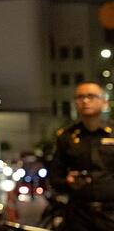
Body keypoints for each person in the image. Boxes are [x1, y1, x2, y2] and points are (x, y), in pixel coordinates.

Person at [48, 81, 114, 230]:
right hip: (79, 215)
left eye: (91, 96)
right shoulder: (66, 137)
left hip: (111, 214)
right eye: (80, 97)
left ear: (104, 102)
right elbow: (55, 179)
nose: (85, 101)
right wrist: (69, 182)